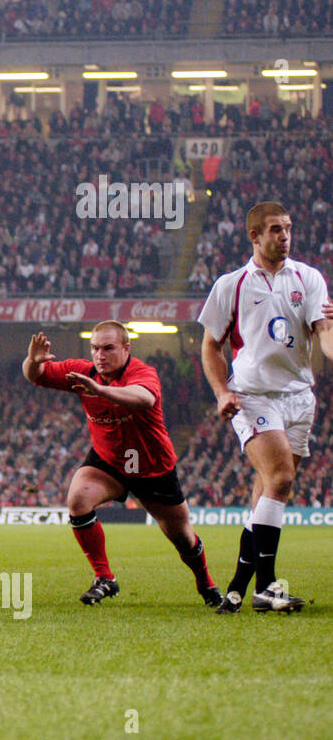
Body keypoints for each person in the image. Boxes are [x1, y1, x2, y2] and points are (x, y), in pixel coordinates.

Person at [22, 323, 221, 607]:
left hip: (152, 467)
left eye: (108, 348)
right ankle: (105, 577)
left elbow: (144, 398)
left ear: (126, 349)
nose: (99, 355)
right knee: (78, 500)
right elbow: (35, 376)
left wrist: (100, 391)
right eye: (95, 349)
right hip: (109, 462)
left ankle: (206, 584)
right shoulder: (85, 372)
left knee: (182, 537)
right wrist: (33, 361)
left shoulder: (141, 372)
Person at [198, 201, 333, 614]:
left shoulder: (308, 278)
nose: (284, 236)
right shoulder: (230, 284)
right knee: (280, 477)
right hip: (253, 395)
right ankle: (268, 585)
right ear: (254, 236)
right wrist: (223, 391)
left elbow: (324, 333)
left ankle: (241, 585)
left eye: (288, 228)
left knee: (267, 493)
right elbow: (210, 346)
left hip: (299, 396)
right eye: (275, 229)